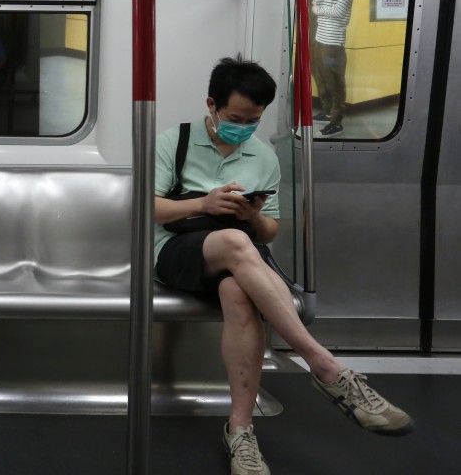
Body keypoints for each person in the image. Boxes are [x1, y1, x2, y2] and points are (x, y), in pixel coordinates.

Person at [153, 57, 411, 475]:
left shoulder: (262, 156)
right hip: (178, 249)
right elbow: (149, 206)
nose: (245, 128)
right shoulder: (173, 141)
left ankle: (240, 430)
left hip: (240, 250)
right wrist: (204, 202)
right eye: (236, 118)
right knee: (236, 243)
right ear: (212, 105)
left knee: (238, 292)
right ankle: (325, 365)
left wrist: (252, 215)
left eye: (253, 120)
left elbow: (268, 231)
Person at [311, 0, 355, 137]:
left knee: (334, 83)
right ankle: (328, 112)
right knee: (321, 79)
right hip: (319, 39)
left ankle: (337, 122)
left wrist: (318, 9)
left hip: (333, 42)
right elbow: (316, 1)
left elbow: (338, 11)